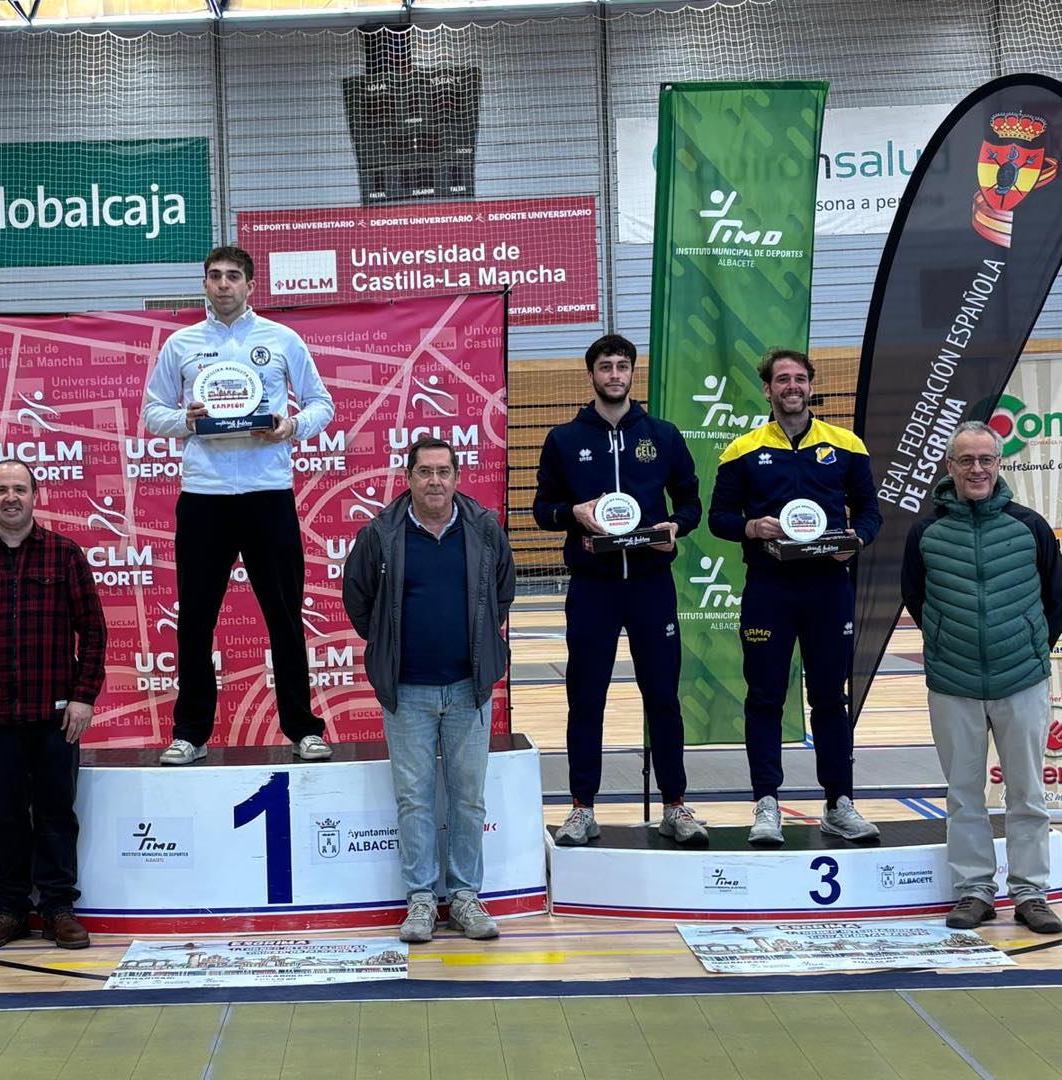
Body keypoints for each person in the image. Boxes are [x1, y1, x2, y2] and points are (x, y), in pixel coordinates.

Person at [141, 245, 336, 765]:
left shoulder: (281, 339)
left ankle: (304, 729)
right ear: (204, 284)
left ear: (250, 285)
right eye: (214, 276)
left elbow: (323, 403)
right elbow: (151, 413)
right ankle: (190, 733)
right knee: (196, 620)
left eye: (233, 276)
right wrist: (187, 419)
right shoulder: (181, 344)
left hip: (268, 495)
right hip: (203, 498)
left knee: (285, 617)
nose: (223, 284)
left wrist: (292, 426)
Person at [532, 333, 707, 847]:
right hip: (593, 589)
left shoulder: (663, 435)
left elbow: (693, 503)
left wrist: (677, 526)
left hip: (651, 586)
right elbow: (543, 510)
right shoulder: (564, 439)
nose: (614, 374)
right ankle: (582, 808)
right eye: (605, 366)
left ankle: (675, 805)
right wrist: (573, 515)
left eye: (622, 366)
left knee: (664, 698)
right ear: (591, 374)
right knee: (586, 699)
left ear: (633, 373)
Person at [343, 437, 515, 943]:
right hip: (408, 693)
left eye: (443, 471)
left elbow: (500, 594)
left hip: (469, 691)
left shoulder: (484, 529)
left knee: (468, 801)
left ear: (457, 477)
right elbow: (359, 602)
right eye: (425, 472)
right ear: (408, 477)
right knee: (414, 800)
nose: (435, 481)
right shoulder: (379, 535)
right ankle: (420, 900)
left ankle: (464, 897)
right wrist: (390, 648)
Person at [708, 348, 882, 845]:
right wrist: (751, 526)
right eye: (782, 379)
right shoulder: (741, 450)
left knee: (830, 697)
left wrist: (857, 542)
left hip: (829, 588)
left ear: (811, 386)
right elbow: (720, 517)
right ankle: (767, 804)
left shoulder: (845, 444)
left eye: (799, 378)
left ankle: (839, 803)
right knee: (764, 698)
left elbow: (870, 514)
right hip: (770, 589)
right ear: (767, 389)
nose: (791, 386)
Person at [0, 460, 107, 951]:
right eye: (1, 490)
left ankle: (57, 908)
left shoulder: (65, 555)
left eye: (20, 489)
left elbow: (93, 632)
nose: (11, 497)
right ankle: (10, 909)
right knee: (7, 817)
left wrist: (82, 695)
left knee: (56, 814)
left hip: (56, 716)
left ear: (36, 495)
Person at [902, 421, 1062, 933]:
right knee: (964, 793)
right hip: (954, 683)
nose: (977, 469)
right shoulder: (926, 532)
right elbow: (916, 596)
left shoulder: (1030, 526)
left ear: (998, 464)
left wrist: (1034, 648)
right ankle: (973, 890)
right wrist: (947, 640)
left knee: (1028, 793)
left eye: (985, 460)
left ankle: (1031, 893)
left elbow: (1056, 599)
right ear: (950, 468)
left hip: (1024, 680)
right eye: (966, 460)